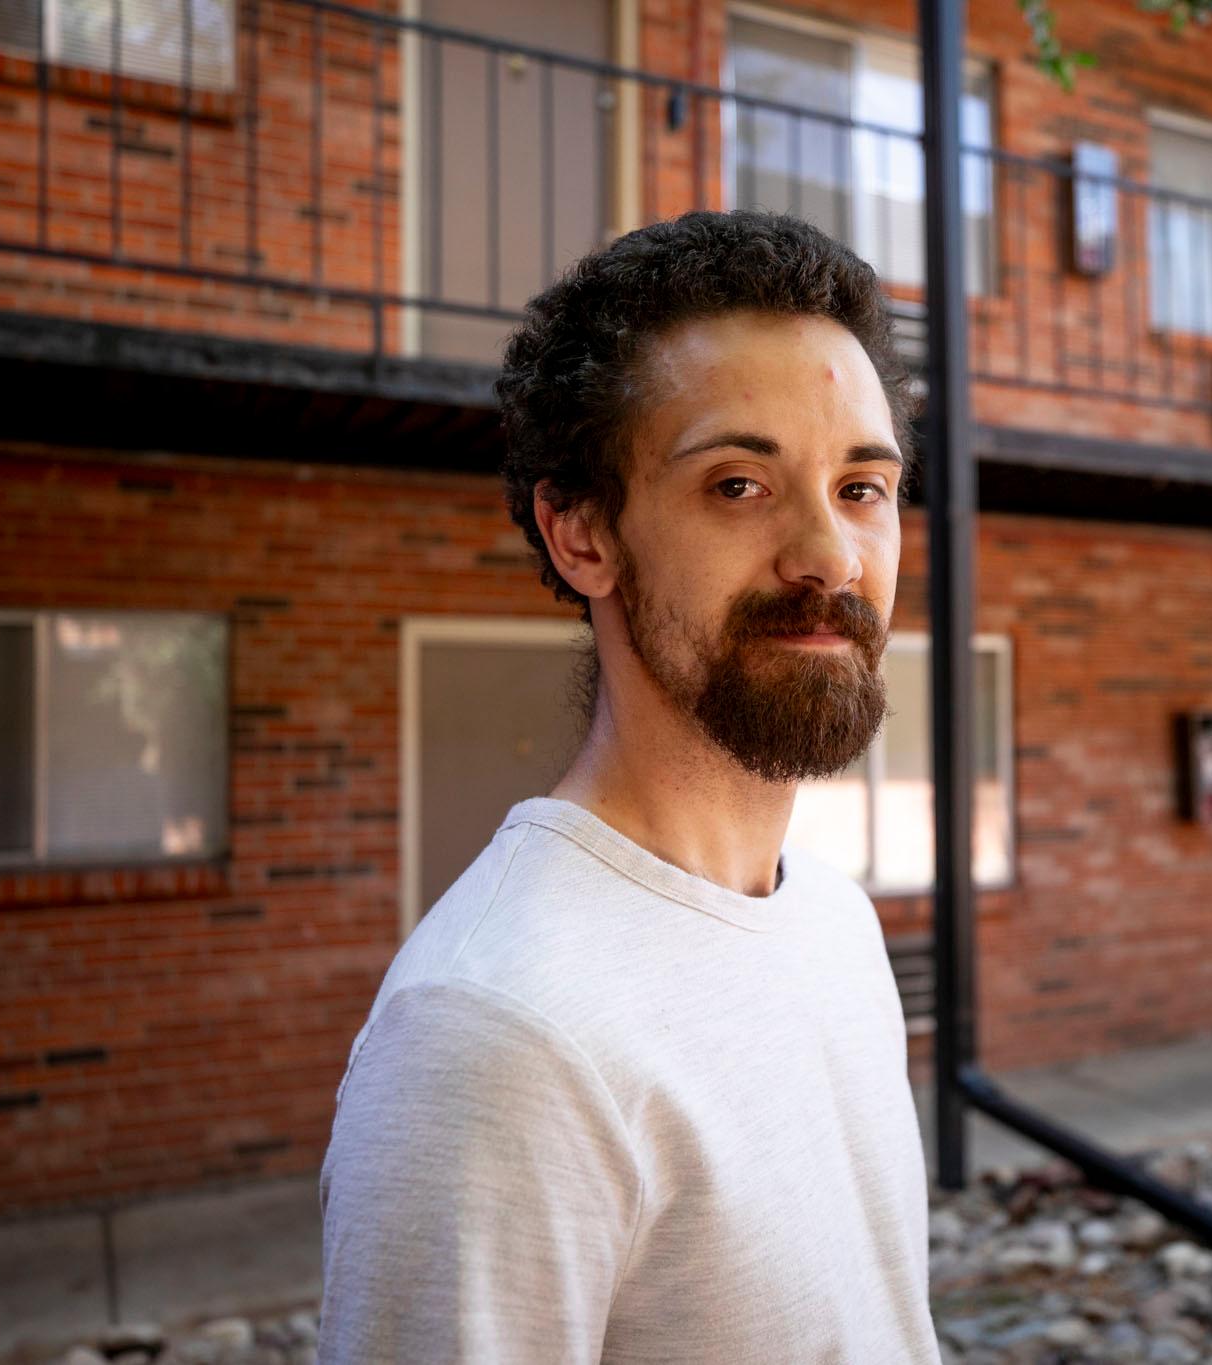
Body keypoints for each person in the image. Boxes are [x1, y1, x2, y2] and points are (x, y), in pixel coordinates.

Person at [317, 210, 941, 1363]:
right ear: (581, 535)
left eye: (861, 486)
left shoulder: (831, 920)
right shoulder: (495, 1034)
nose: (829, 556)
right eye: (739, 485)